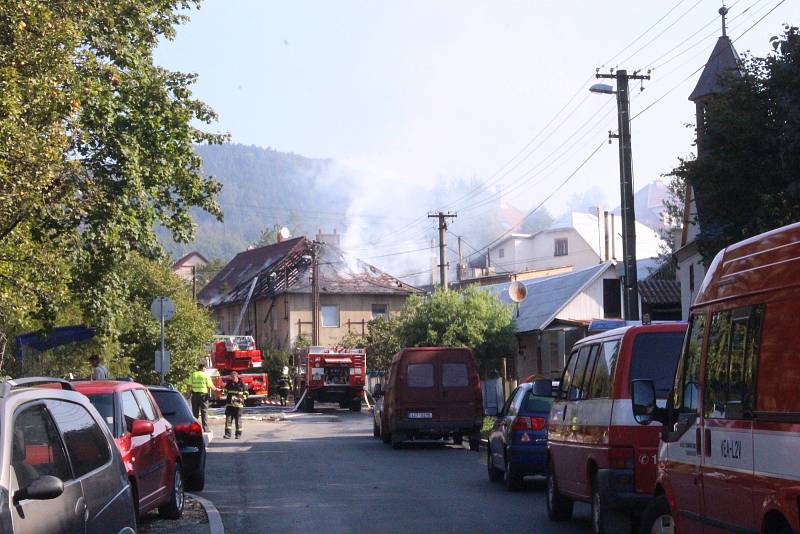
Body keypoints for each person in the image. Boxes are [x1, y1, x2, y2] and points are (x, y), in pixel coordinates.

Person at [190, 362, 218, 433]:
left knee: (195, 412)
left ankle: (194, 428)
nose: (205, 369)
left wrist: (188, 394)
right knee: (204, 412)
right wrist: (217, 389)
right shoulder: (205, 375)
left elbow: (189, 385)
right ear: (203, 368)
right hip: (203, 396)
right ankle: (205, 428)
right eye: (205, 368)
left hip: (195, 396)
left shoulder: (193, 374)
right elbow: (210, 386)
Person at [223, 371, 248, 439]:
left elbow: (246, 393)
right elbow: (225, 391)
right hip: (229, 404)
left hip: (238, 405)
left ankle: (238, 434)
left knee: (238, 420)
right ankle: (228, 435)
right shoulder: (229, 383)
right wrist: (223, 391)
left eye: (233, 377)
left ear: (237, 377)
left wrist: (242, 399)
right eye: (231, 377)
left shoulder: (242, 384)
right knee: (228, 419)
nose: (232, 379)